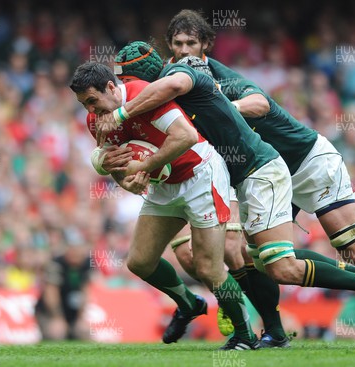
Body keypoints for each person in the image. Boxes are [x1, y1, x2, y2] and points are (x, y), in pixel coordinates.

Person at [94, 40, 355, 344]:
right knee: (250, 260)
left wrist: (122, 115)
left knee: (279, 266)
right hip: (236, 178)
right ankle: (271, 331)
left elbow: (179, 106)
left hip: (260, 170)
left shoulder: (183, 75)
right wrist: (127, 174)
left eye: (133, 84)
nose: (130, 94)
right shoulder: (160, 108)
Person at [69, 62, 257, 350]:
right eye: (85, 105)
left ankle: (245, 336)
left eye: (93, 101)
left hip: (200, 176)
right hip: (164, 185)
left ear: (110, 87)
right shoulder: (97, 120)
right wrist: (125, 182)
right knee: (140, 262)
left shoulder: (144, 94)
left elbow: (186, 136)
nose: (91, 111)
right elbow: (117, 163)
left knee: (208, 267)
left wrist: (143, 166)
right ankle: (188, 302)